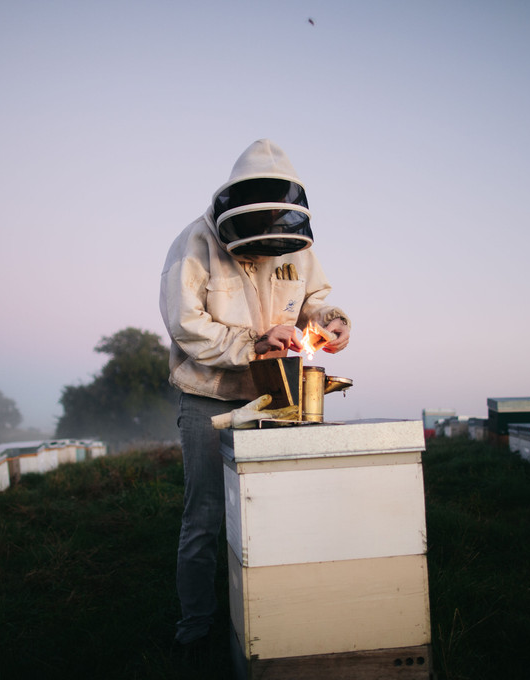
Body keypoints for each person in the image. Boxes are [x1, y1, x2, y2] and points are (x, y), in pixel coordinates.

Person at [159, 139, 351, 653]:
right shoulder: (194, 243)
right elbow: (185, 324)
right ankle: (195, 627)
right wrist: (250, 344)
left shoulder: (298, 246)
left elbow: (316, 302)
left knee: (277, 509)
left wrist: (331, 323)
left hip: (280, 393)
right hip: (209, 395)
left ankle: (276, 616)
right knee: (203, 514)